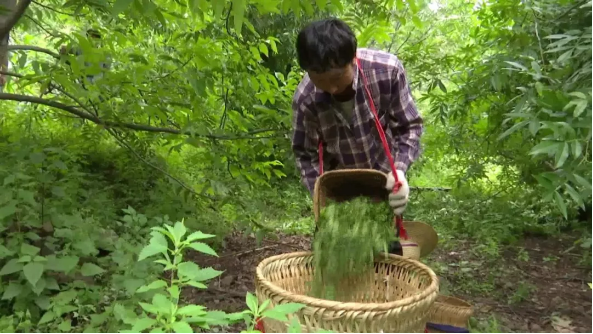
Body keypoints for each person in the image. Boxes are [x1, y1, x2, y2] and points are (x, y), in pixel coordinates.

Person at [291, 18, 424, 236]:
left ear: (353, 59)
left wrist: (399, 169)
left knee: (387, 250)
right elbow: (305, 155)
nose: (331, 88)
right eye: (319, 81)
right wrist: (323, 198)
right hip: (339, 190)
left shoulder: (386, 72)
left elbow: (409, 127)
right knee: (336, 253)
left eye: (336, 77)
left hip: (385, 181)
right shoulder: (306, 99)